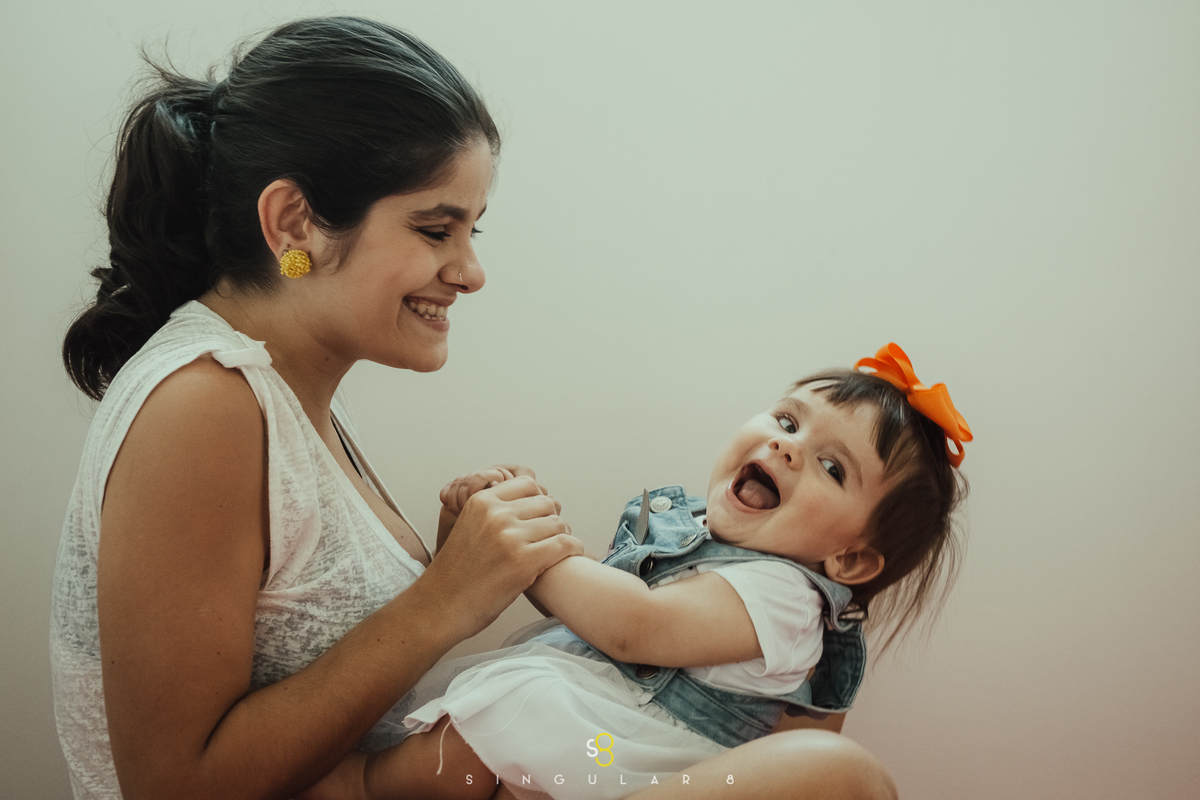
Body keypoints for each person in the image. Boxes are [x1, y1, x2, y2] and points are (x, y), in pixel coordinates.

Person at [51, 16, 900, 800]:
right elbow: (174, 787)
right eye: (435, 229)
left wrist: (464, 576)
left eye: (473, 232)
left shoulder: (280, 400)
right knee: (835, 777)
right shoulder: (203, 403)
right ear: (294, 223)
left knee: (813, 767)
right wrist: (443, 601)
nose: (470, 271)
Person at [300, 343, 970, 800]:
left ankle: (358, 786)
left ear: (849, 559)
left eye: (831, 466)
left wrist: (528, 548)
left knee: (500, 724)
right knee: (477, 742)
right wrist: (506, 533)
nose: (785, 446)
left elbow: (634, 627)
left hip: (629, 764)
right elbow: (595, 621)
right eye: (788, 420)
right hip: (597, 737)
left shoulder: (785, 600)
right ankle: (362, 781)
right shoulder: (695, 534)